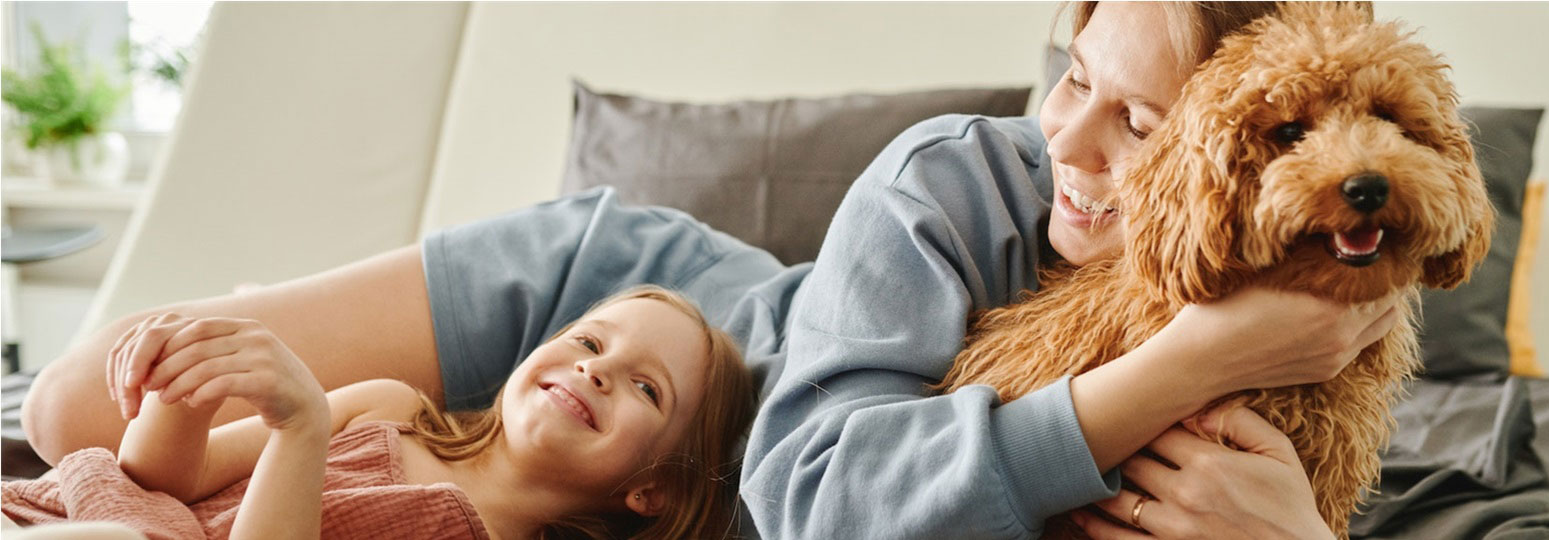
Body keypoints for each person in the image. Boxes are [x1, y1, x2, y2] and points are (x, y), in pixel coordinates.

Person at [25, 2, 1399, 538]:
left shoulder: (1322, 295)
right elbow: (815, 501)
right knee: (74, 411)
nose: (1068, 144)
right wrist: (1191, 363)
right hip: (625, 298)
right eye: (1071, 79)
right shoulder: (957, 178)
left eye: (1141, 124)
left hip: (656, 425)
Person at [6, 286, 755, 539]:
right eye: (588, 340)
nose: (595, 369)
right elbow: (165, 480)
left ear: (654, 491)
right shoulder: (391, 409)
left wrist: (299, 426)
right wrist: (183, 386)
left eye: (645, 388)